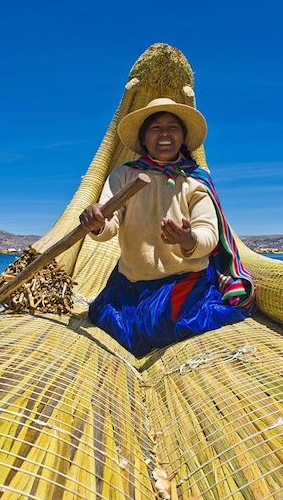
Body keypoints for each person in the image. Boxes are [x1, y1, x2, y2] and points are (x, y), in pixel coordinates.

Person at [79, 97, 254, 356]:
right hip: (131, 280)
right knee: (111, 321)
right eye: (155, 128)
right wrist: (97, 223)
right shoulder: (124, 176)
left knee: (158, 326)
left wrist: (188, 239)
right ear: (143, 139)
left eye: (172, 127)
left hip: (183, 277)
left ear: (182, 137)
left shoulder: (195, 182)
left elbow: (209, 233)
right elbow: (110, 224)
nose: (164, 133)